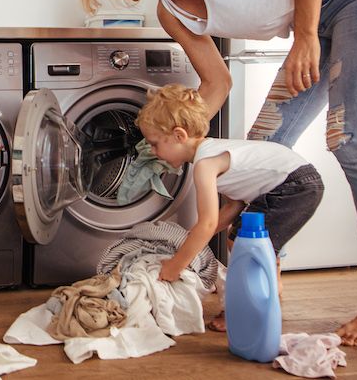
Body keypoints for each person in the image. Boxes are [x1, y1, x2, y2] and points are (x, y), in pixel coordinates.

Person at [76, 0, 357, 346]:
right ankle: (262, 285)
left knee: (352, 138)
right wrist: (167, 138)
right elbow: (217, 84)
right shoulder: (170, 12)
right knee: (257, 155)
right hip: (319, 23)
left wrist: (306, 36)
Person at [138, 84, 323, 330]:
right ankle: (267, 292)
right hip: (297, 181)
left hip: (293, 185)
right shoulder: (212, 151)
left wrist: (176, 265)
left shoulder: (205, 165)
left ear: (179, 136)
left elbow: (208, 223)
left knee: (243, 242)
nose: (152, 151)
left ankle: (244, 310)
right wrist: (189, 241)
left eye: (154, 144)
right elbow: (233, 207)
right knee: (242, 237)